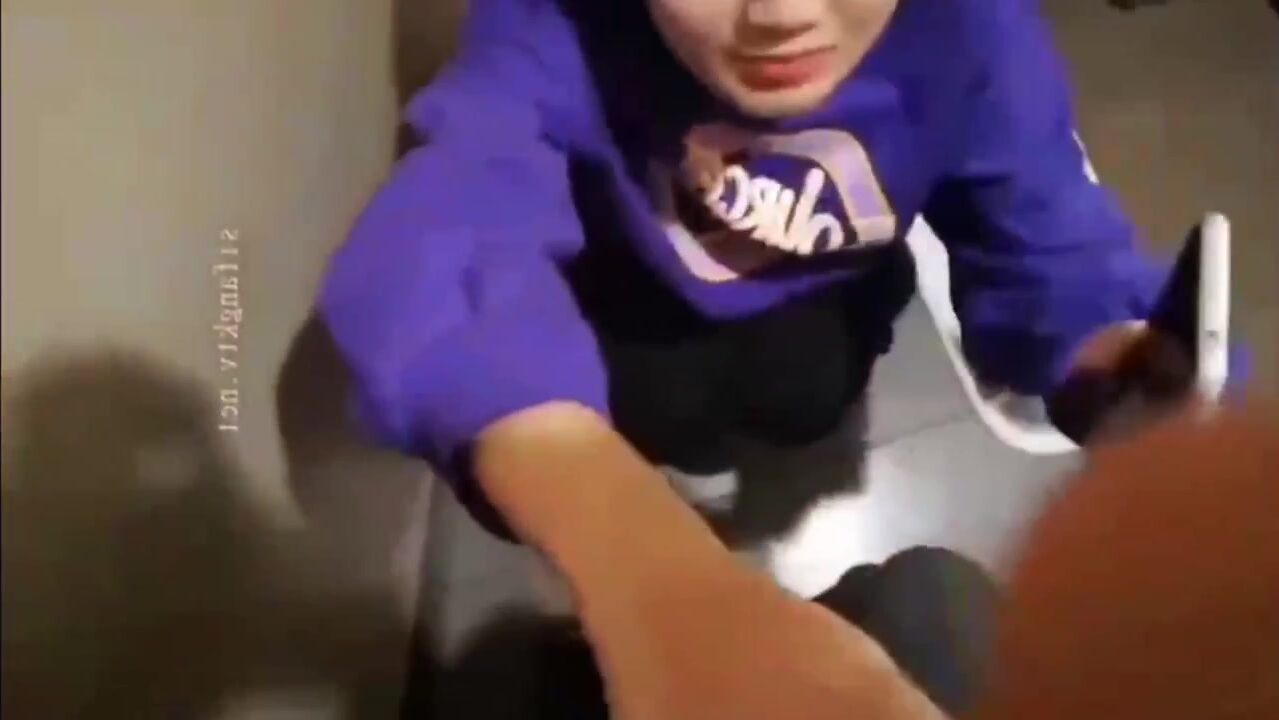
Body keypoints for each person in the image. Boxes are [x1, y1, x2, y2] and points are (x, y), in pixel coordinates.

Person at [319, 1, 1241, 717]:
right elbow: (443, 240)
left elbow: (1043, 241)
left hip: (827, 302)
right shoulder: (556, 22)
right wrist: (648, 571)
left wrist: (1113, 366)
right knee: (662, 416)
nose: (783, 15)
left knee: (802, 401)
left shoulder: (974, 33)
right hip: (638, 300)